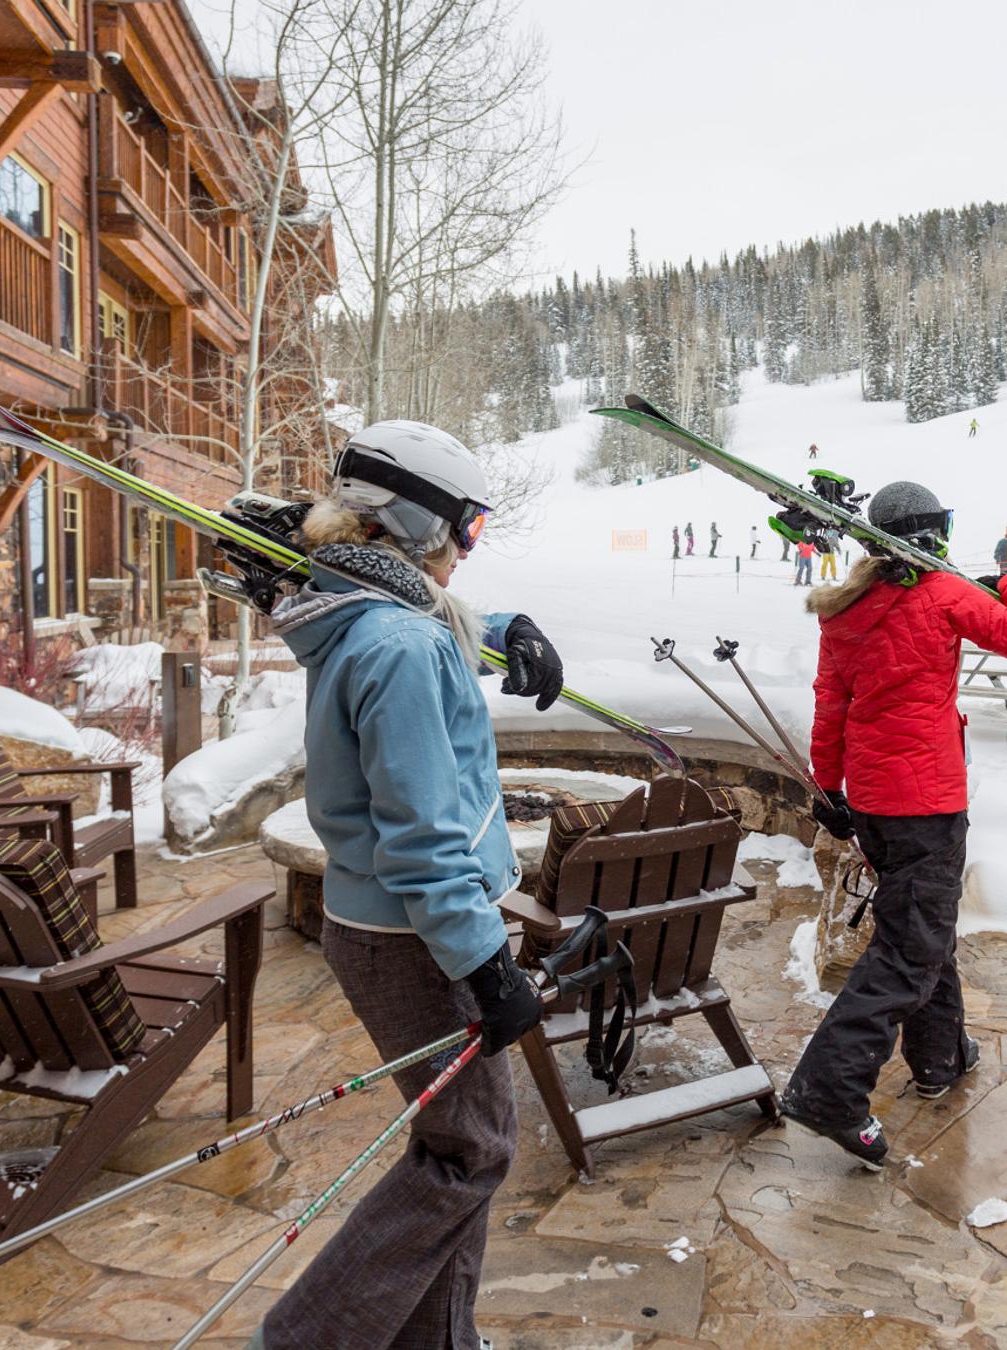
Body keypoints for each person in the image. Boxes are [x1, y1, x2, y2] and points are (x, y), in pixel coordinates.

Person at [258, 419, 565, 1349]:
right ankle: (307, 1337)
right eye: (466, 528)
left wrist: (510, 633)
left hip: (389, 928)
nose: (468, 549)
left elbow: (424, 631)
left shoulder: (363, 608)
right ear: (418, 523)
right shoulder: (399, 645)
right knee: (470, 1153)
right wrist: (483, 965)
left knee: (458, 1149)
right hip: (415, 940)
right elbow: (425, 837)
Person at [779, 481, 1007, 1167]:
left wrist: (829, 785)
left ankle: (940, 1057)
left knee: (924, 928)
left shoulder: (844, 608)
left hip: (875, 801)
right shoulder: (944, 594)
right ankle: (829, 1089)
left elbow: (830, 703)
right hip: (926, 800)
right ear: (934, 533)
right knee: (909, 948)